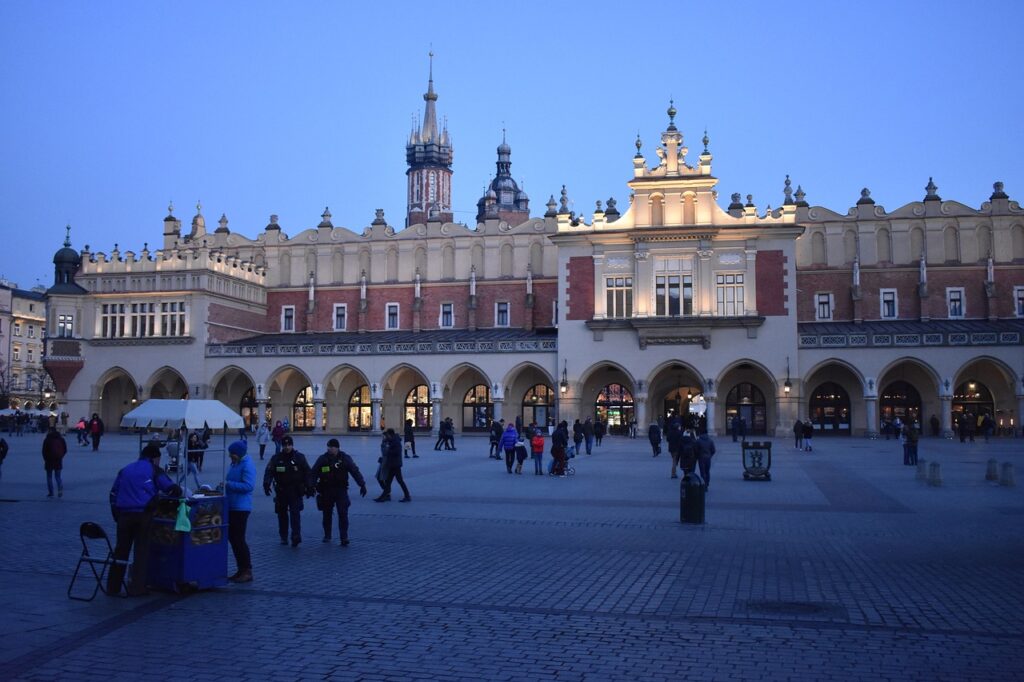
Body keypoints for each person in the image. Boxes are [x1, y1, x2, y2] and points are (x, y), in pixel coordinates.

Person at [107, 444, 181, 596]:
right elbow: (171, 488)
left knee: (120, 550)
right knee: (141, 551)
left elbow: (113, 493)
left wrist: (117, 514)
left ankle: (112, 587)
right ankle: (137, 588)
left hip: (123, 516)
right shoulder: (154, 470)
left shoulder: (125, 469)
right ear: (155, 458)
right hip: (143, 515)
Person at [311, 438, 367, 546]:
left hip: (341, 490)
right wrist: (311, 486)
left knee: (343, 514)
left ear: (337, 448)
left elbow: (354, 471)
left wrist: (362, 484)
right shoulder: (323, 459)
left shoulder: (345, 458)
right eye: (328, 447)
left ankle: (344, 537)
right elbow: (313, 473)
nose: (329, 449)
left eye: (332, 447)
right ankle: (327, 535)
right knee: (327, 514)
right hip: (326, 489)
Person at [263, 435, 312, 547]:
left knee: (295, 514)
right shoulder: (276, 458)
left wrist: (310, 486)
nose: (287, 447)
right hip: (281, 490)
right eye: (285, 445)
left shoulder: (299, 457)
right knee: (282, 515)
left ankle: (296, 536)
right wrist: (266, 483)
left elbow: (308, 472)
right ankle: (283, 536)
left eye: (289, 445)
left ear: (292, 445)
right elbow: (269, 471)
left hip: (295, 491)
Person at [223, 440, 256, 582]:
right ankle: (240, 569)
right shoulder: (236, 463)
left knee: (238, 539)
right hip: (232, 505)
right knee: (234, 539)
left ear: (239, 453)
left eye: (232, 454)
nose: (231, 456)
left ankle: (246, 570)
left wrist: (229, 484)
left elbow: (249, 486)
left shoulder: (247, 465)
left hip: (241, 507)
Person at [375, 428, 410, 502]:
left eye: (387, 435)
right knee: (389, 481)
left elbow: (397, 452)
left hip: (395, 464)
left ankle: (407, 496)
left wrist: (388, 450)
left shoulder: (395, 441)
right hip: (393, 464)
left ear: (390, 434)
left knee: (399, 481)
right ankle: (384, 496)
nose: (387, 436)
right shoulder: (392, 440)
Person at [42, 427, 68, 498]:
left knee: (49, 477)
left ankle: (51, 492)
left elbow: (44, 451)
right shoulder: (61, 439)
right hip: (58, 460)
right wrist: (61, 456)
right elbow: (65, 449)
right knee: (58, 476)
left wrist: (46, 459)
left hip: (49, 460)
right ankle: (60, 490)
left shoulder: (47, 439)